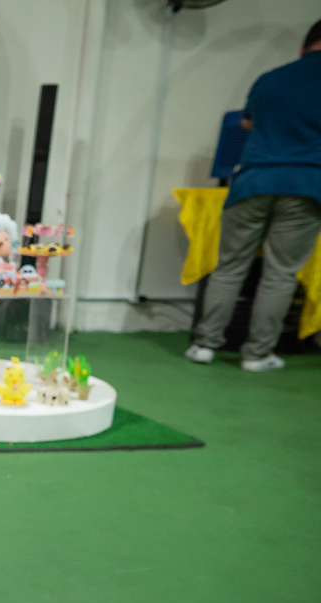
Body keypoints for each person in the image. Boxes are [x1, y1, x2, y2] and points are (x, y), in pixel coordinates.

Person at [185, 19, 321, 372]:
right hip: (305, 185)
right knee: (280, 274)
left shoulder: (270, 78)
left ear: (305, 45)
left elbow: (247, 123)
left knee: (229, 266)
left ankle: (204, 345)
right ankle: (257, 355)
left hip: (251, 181)